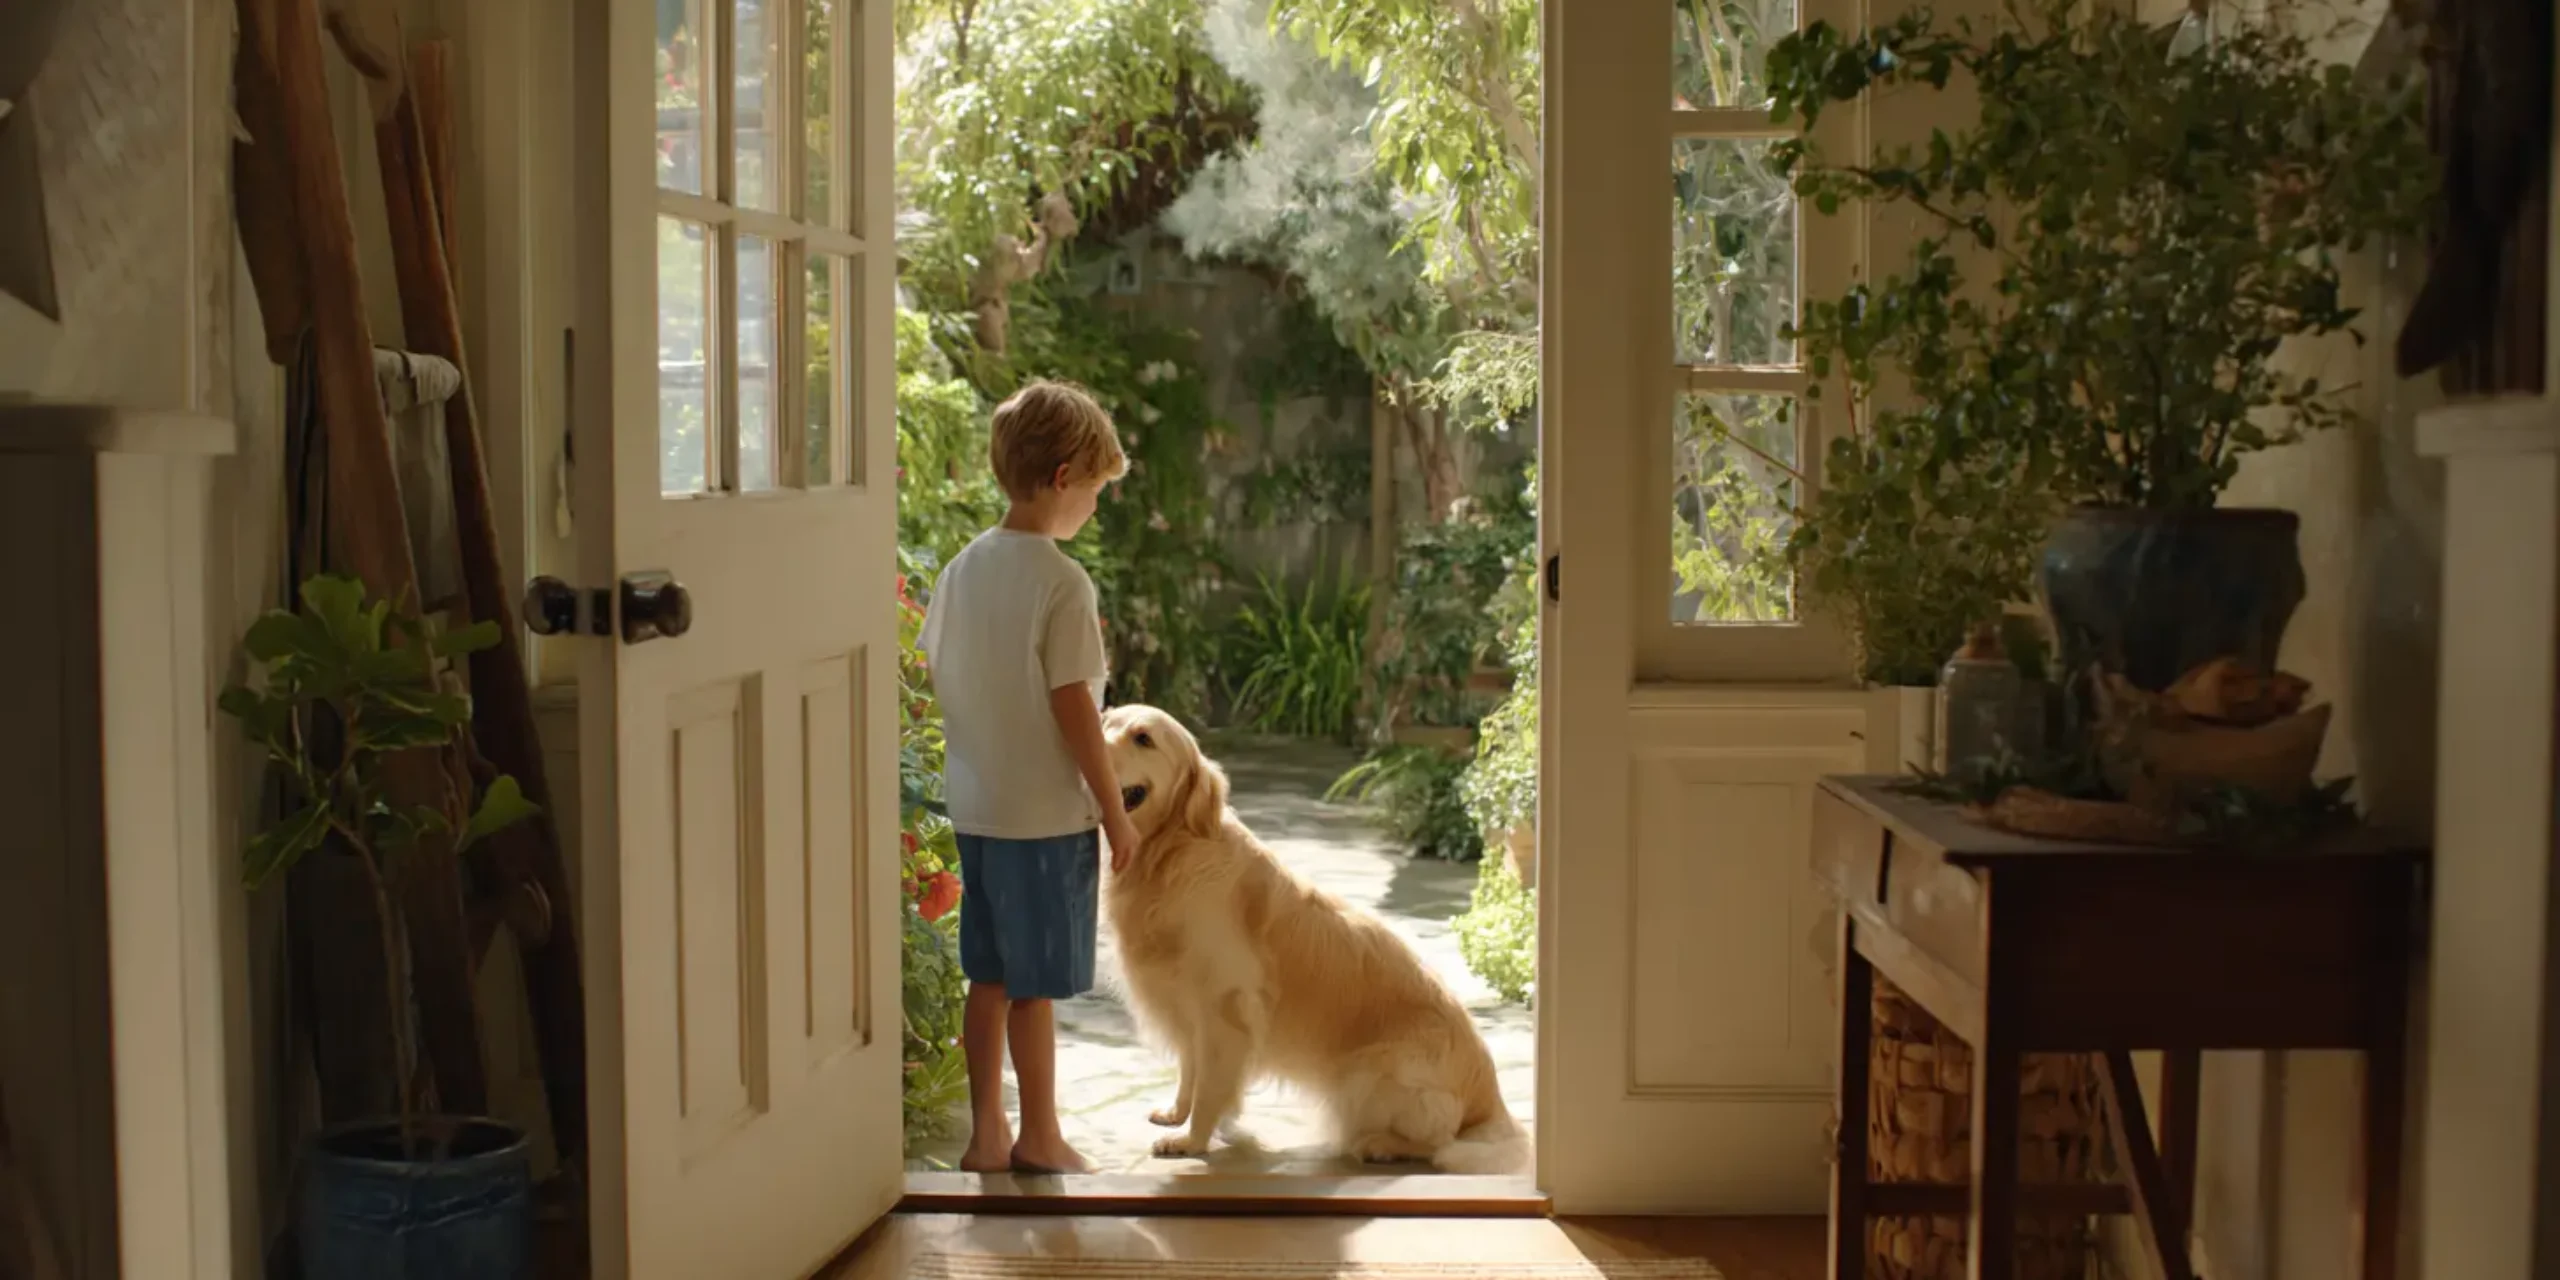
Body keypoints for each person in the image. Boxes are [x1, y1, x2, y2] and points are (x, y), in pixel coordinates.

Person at [919, 379, 1144, 1175]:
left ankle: (986, 1134)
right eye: (1095, 491)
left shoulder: (961, 569)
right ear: (1062, 479)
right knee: (1032, 990)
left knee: (988, 973)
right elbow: (1075, 708)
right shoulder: (1061, 583)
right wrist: (1114, 811)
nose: (1094, 507)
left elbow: (937, 666)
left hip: (978, 806)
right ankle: (1040, 1135)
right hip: (1045, 816)